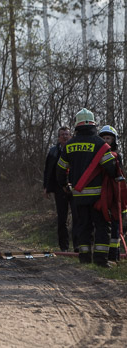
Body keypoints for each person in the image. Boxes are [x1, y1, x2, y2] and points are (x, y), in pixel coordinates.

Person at [56, 109, 119, 268]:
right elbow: (111, 169)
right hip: (99, 196)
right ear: (93, 124)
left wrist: (64, 185)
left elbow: (60, 170)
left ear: (77, 125)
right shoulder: (100, 145)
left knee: (83, 226)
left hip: (78, 195)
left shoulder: (69, 145)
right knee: (102, 227)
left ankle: (84, 258)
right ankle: (100, 260)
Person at [43, 126, 77, 252]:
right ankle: (64, 247)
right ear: (58, 137)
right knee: (62, 219)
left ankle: (78, 246)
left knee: (77, 217)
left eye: (67, 134)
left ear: (71, 136)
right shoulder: (53, 151)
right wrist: (46, 187)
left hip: (75, 187)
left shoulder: (76, 150)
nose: (65, 136)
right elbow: (48, 170)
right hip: (59, 188)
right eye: (62, 134)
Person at [99, 125, 123, 262]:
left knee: (116, 225)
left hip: (115, 195)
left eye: (108, 138)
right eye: (103, 138)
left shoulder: (117, 156)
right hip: (102, 193)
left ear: (114, 140)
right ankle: (104, 254)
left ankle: (114, 255)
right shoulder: (98, 155)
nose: (106, 140)